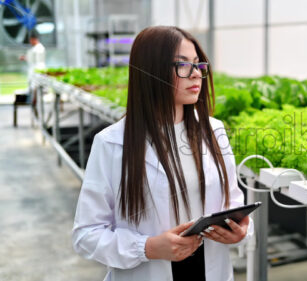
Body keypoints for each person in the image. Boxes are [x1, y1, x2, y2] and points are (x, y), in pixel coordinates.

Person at [72, 26, 254, 281]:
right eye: (182, 65)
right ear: (150, 72)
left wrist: (241, 230)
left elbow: (233, 202)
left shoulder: (214, 130)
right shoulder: (112, 143)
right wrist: (147, 247)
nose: (196, 75)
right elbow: (86, 234)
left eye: (198, 64)